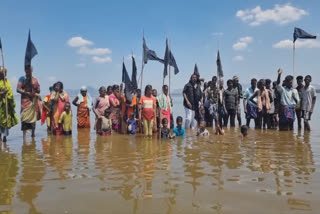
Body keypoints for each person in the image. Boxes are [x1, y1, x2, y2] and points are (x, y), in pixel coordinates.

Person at [17, 65, 41, 138]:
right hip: (25, 102)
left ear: (32, 70)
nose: (29, 71)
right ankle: (24, 138)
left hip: (33, 102)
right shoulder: (22, 78)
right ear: (25, 70)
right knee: (24, 119)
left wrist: (36, 88)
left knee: (33, 120)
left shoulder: (35, 80)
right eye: (27, 70)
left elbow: (38, 90)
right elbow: (18, 89)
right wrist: (26, 93)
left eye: (30, 70)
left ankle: (33, 135)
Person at [0, 67, 19, 142]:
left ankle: (4, 137)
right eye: (2, 74)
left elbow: (10, 93)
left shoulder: (7, 82)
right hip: (0, 105)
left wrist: (7, 94)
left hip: (6, 106)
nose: (4, 75)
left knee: (6, 121)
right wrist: (2, 93)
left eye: (5, 74)